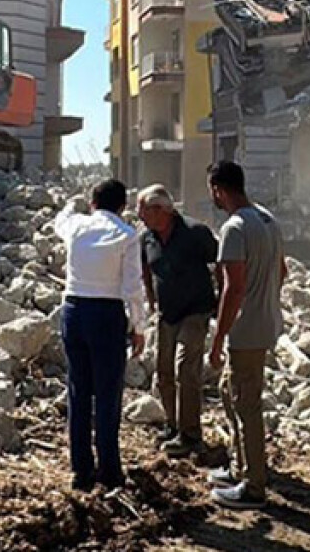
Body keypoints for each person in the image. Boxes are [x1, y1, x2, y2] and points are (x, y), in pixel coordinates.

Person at [53, 179, 147, 492]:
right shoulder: (127, 235)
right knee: (108, 394)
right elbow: (133, 288)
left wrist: (71, 203)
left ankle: (81, 471)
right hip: (106, 314)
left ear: (93, 203)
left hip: (73, 309)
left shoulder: (77, 226)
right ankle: (109, 470)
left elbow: (59, 221)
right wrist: (139, 327)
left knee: (78, 391)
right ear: (123, 207)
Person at [205, 160, 287, 509]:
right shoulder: (267, 219)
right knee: (231, 392)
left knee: (247, 404)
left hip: (247, 332)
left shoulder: (234, 229)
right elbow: (282, 271)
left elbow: (232, 289)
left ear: (219, 189)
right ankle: (241, 466)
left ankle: (254, 486)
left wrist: (219, 338)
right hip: (265, 323)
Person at [137, 183, 218, 457]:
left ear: (162, 210)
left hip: (196, 310)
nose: (139, 216)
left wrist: (220, 301)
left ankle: (191, 435)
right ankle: (173, 425)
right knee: (164, 372)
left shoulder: (195, 232)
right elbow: (146, 270)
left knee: (187, 368)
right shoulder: (147, 238)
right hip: (167, 313)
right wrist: (151, 300)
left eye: (143, 210)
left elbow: (220, 263)